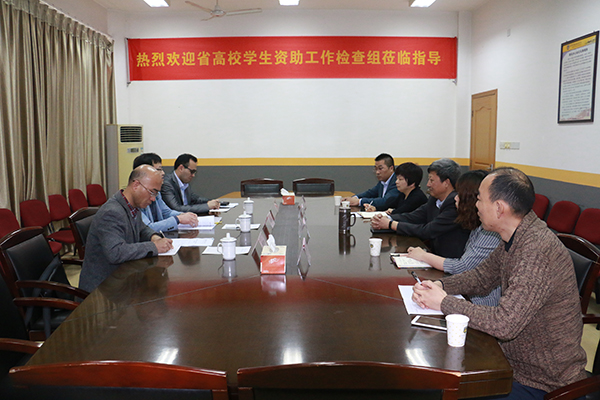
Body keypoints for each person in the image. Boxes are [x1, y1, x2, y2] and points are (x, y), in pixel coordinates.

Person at [412, 167, 587, 399]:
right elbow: (481, 277)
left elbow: (504, 323)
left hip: (543, 382)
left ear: (499, 208)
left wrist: (444, 303)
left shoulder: (535, 251)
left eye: (479, 199)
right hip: (511, 362)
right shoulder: (515, 236)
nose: (476, 205)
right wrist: (441, 287)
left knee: (444, 390)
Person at [406, 170, 501, 306]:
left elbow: (462, 267)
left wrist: (423, 256)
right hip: (466, 292)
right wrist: (440, 284)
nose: (455, 198)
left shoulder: (491, 232)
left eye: (459, 195)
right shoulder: (478, 226)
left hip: (480, 303)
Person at [79, 165, 173, 292]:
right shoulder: (112, 212)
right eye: (152, 192)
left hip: (123, 278)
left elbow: (142, 228)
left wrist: (154, 237)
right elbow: (116, 252)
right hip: (103, 289)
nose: (153, 198)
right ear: (136, 185)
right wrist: (154, 247)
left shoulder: (133, 205)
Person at [371, 158, 469, 258]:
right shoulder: (434, 199)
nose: (428, 184)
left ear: (446, 183)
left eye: (431, 180)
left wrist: (391, 224)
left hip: (448, 260)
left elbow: (427, 231)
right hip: (433, 255)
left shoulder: (455, 204)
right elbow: (414, 216)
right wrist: (386, 219)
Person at [133, 153, 198, 232]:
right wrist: (178, 219)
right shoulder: (135, 198)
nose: (163, 173)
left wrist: (182, 215)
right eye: (158, 170)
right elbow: (148, 228)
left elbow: (166, 212)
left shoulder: (156, 193)